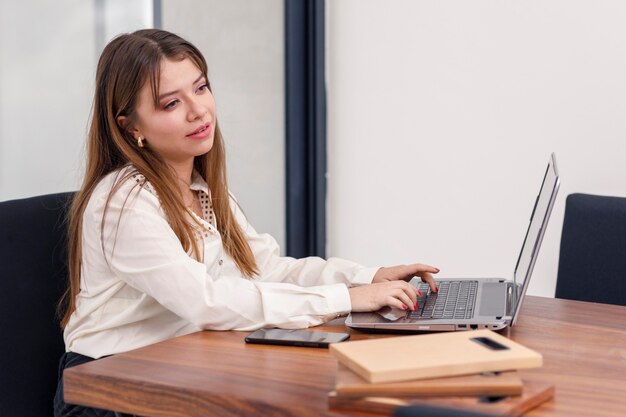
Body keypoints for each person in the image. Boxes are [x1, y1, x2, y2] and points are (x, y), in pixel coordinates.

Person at [54, 29, 439, 416]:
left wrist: (368, 278)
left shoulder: (201, 189)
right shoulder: (123, 200)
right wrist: (345, 299)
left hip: (177, 366)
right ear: (131, 127)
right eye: (171, 103)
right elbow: (204, 301)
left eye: (201, 88)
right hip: (107, 390)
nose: (198, 110)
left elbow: (266, 269)